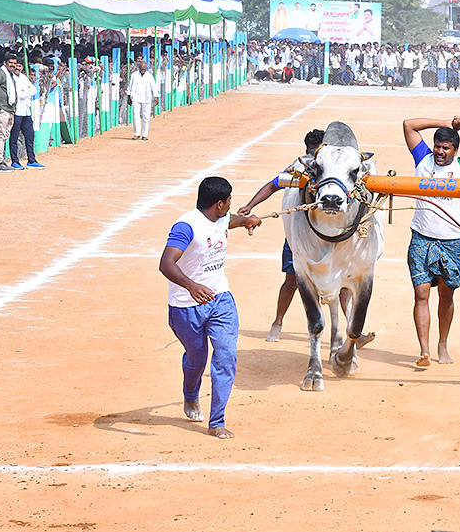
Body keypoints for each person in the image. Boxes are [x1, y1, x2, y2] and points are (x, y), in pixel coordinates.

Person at [158, 177, 262, 439]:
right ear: (218, 204)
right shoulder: (186, 226)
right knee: (197, 359)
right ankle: (191, 395)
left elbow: (233, 221)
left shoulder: (222, 219)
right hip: (186, 306)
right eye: (229, 201)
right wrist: (191, 285)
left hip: (220, 299)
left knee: (226, 356)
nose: (231, 205)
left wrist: (248, 220)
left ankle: (217, 421)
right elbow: (167, 263)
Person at [401, 116, 460, 366]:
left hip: (450, 242)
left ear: (455, 150)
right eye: (437, 146)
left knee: (447, 296)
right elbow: (409, 124)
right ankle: (424, 351)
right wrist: (445, 123)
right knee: (421, 294)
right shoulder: (422, 158)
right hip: (421, 238)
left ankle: (442, 345)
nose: (439, 151)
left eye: (445, 147)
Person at [237, 129, 325, 342]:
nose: (315, 158)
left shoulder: (333, 168)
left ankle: (352, 330)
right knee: (292, 280)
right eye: (312, 153)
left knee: (341, 283)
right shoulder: (298, 169)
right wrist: (250, 205)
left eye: (319, 153)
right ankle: (277, 322)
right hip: (299, 233)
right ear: (306, 152)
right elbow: (272, 185)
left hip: (327, 235)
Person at [7, 57, 42, 170]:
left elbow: (34, 90)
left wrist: (24, 92)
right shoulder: (10, 78)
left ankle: (31, 160)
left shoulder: (23, 77)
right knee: (14, 138)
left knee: (29, 136)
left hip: (26, 112)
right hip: (16, 111)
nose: (18, 67)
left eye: (20, 66)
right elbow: (17, 94)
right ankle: (15, 161)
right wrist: (25, 92)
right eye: (16, 65)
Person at [0, 52, 17, 172]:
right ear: (5, 63)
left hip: (9, 109)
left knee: (4, 136)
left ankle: (0, 160)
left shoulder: (10, 76)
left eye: (15, 63)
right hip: (1, 108)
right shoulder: (0, 74)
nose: (13, 65)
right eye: (10, 63)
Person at [128, 59, 158, 141]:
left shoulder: (149, 76)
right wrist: (129, 97)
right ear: (139, 68)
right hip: (136, 98)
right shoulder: (134, 75)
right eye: (142, 69)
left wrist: (156, 97)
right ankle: (136, 134)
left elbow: (154, 87)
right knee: (136, 115)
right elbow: (130, 86)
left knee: (146, 117)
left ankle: (145, 135)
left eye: (144, 69)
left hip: (146, 98)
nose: (143, 70)